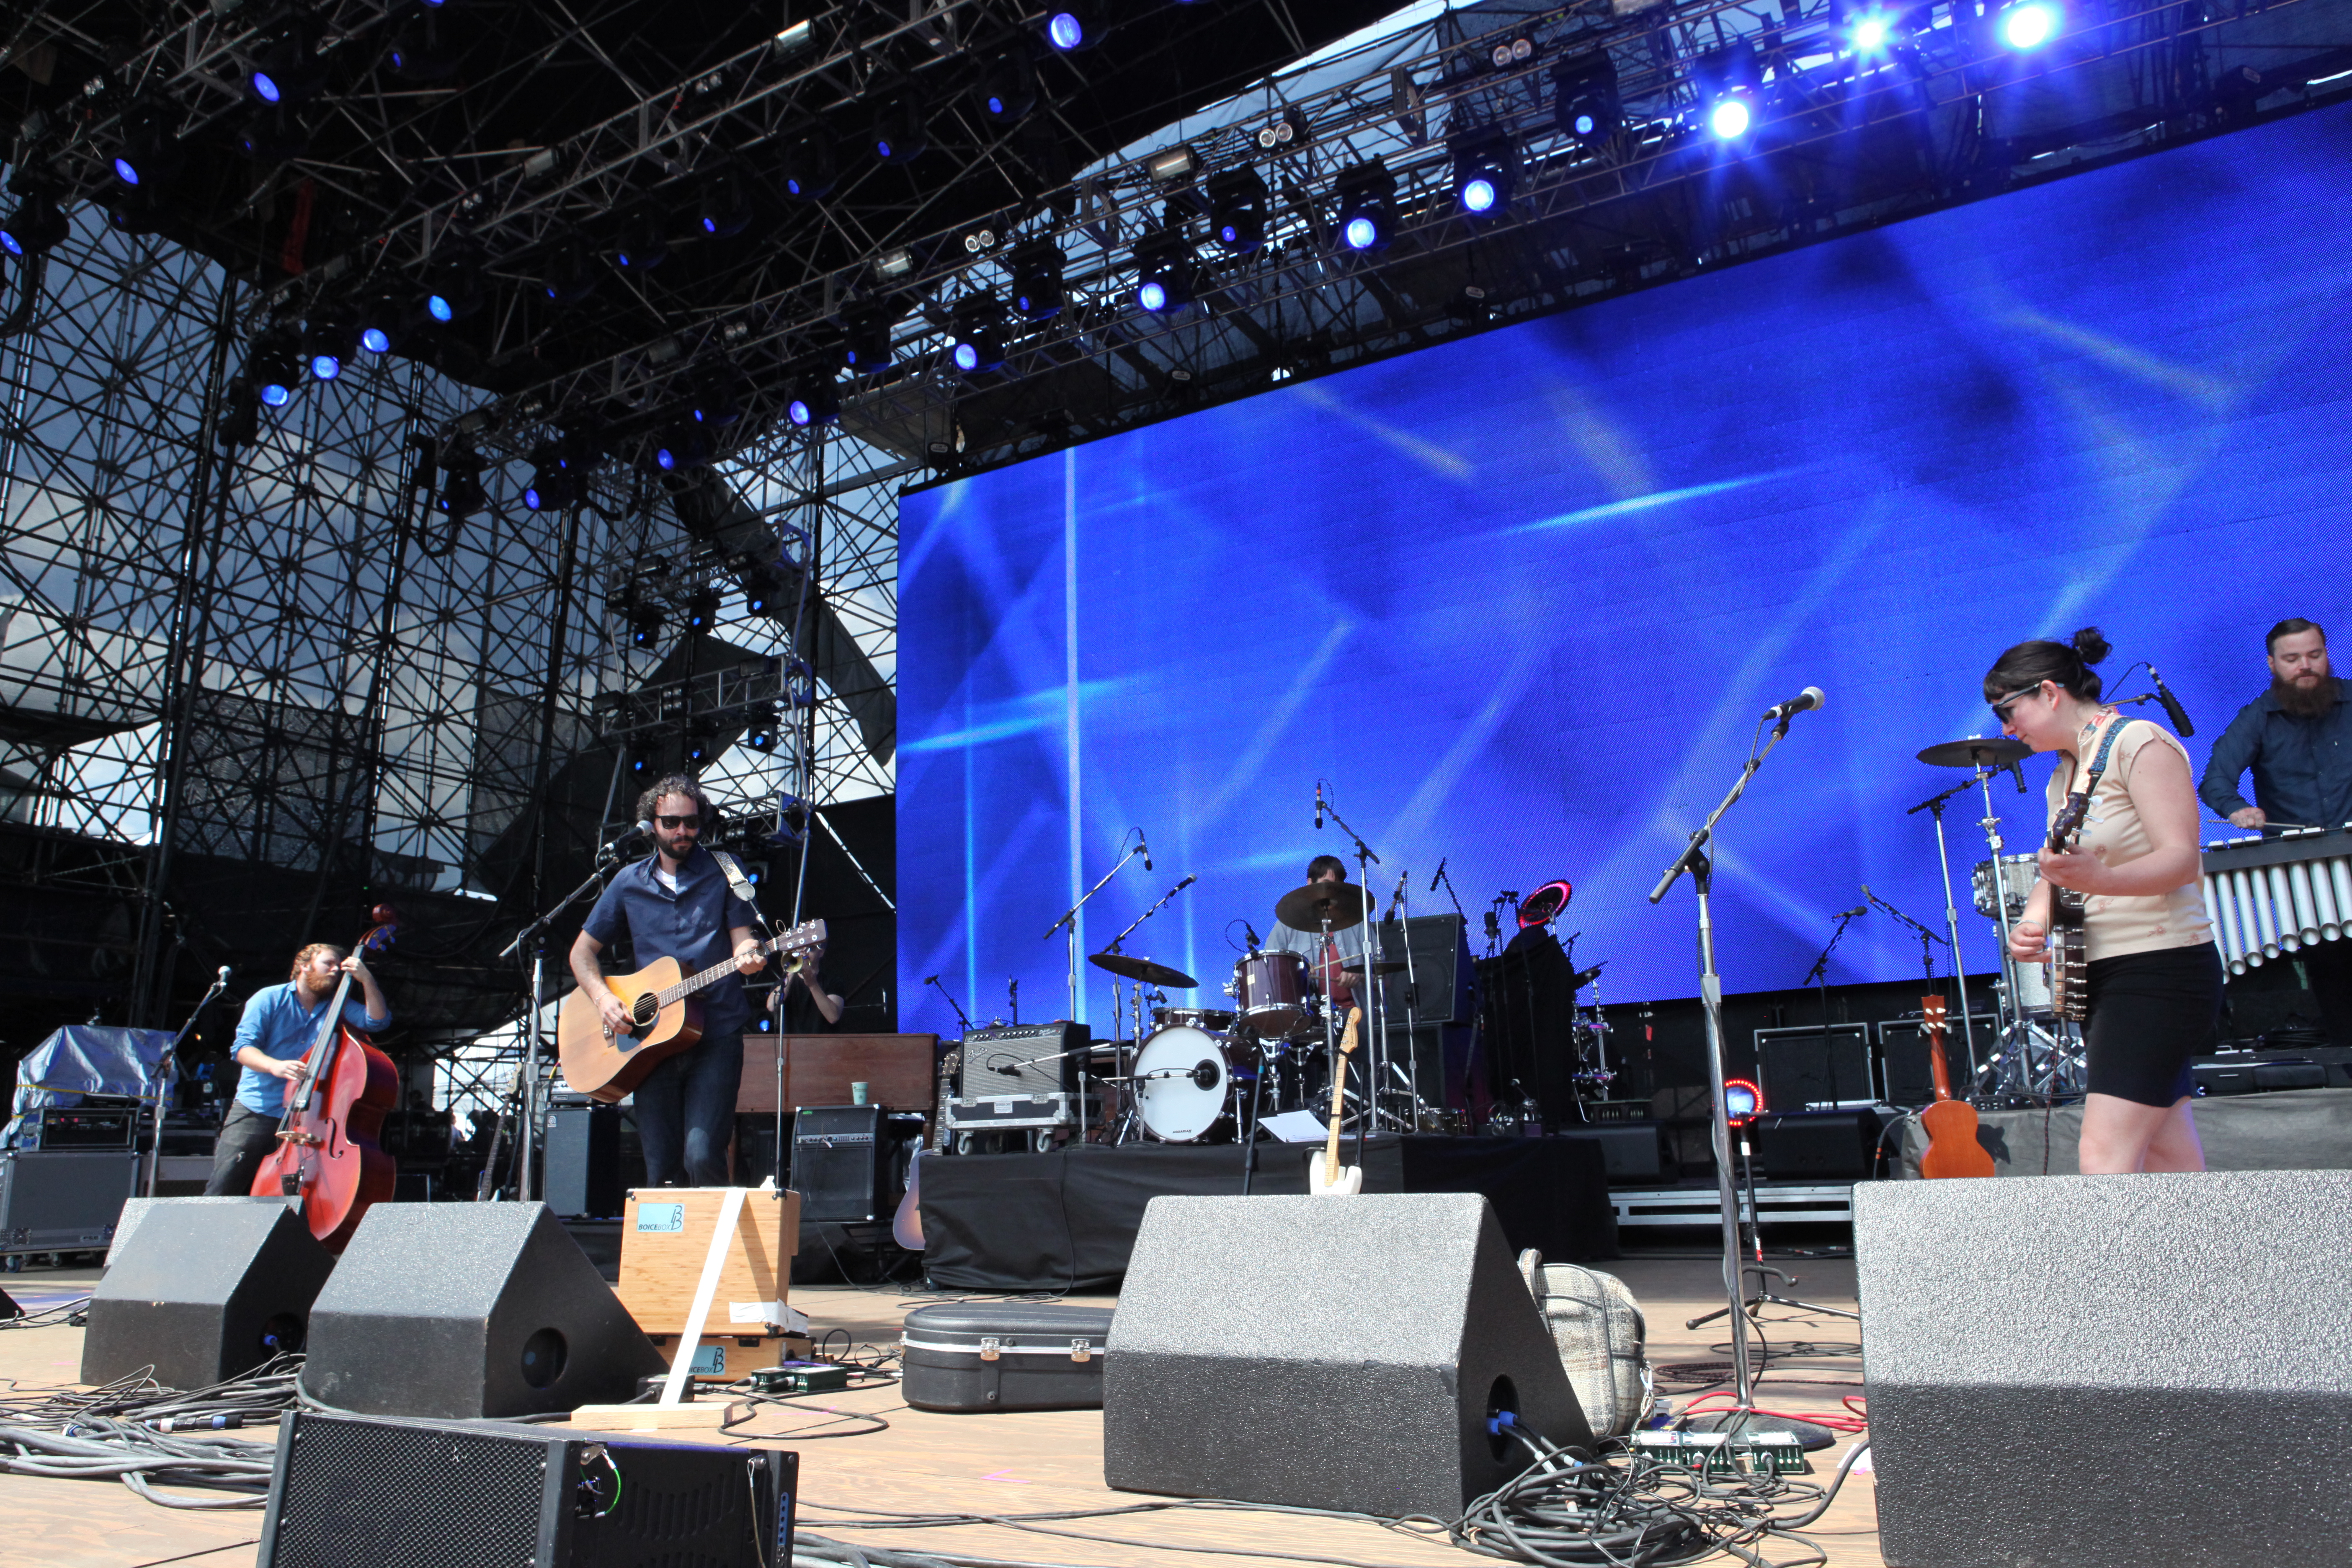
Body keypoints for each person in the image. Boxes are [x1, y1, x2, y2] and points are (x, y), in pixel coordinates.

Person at [1991, 627, 2218, 1174]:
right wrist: (2033, 921)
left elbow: (2181, 860)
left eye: (2008, 710)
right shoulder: (2064, 773)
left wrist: (2100, 879)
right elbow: (2058, 870)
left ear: (2050, 693)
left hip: (2159, 968)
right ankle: (2207, 1233)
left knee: (2103, 1155)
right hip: (2103, 973)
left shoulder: (2140, 742)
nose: (2006, 729)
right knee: (2167, 1154)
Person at [570, 775, 767, 1185]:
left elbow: (743, 938)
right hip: (651, 1043)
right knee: (661, 1171)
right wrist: (603, 999)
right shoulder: (628, 881)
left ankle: (714, 1230)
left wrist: (749, 954)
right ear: (651, 825)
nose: (683, 831)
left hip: (716, 1033)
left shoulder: (726, 868)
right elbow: (581, 953)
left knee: (702, 1156)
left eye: (692, 823)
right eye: (672, 822)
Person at [2196, 616, 2352, 1046]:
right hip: (2305, 872)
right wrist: (2238, 809)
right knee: (2332, 970)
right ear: (2272, 664)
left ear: (2327, 655)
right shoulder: (2259, 717)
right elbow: (2215, 781)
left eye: (2315, 655)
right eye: (2293, 659)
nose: (2306, 666)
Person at [204, 942, 392, 1196]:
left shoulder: (338, 1004)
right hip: (260, 1107)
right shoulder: (269, 998)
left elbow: (377, 1022)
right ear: (304, 966)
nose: (336, 970)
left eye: (339, 965)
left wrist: (367, 980)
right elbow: (243, 1050)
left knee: (298, 1193)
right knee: (225, 1186)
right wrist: (275, 1066)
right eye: (328, 964)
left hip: (310, 1116)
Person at [1259, 855, 1375, 1013]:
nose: (1331, 891)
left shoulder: (1358, 922)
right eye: (1326, 884)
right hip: (1307, 1015)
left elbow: (1385, 977)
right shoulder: (1288, 923)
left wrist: (1360, 975)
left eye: (1337, 886)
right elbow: (1268, 967)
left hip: (1354, 1013)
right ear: (1310, 884)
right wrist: (1297, 969)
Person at [769, 939, 846, 1033]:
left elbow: (833, 1017)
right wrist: (792, 970)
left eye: (810, 948)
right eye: (799, 948)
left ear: (821, 953)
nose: (803, 952)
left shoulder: (833, 982)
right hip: (790, 1041)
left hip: (822, 1041)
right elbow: (772, 1007)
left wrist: (813, 984)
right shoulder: (783, 983)